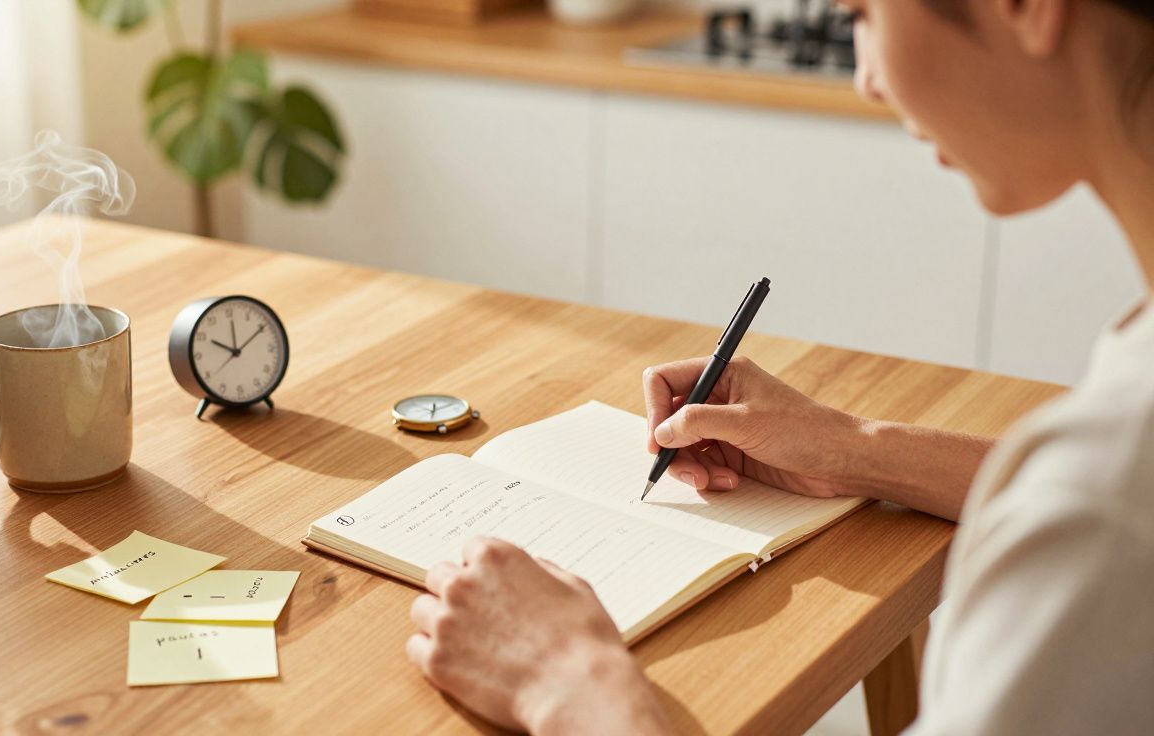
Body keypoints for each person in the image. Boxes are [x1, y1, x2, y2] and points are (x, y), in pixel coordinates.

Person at [404, 1, 1154, 733]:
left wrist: (573, 684)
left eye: (861, 13)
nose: (866, 78)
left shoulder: (1105, 505)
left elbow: (1102, 505)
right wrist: (854, 448)